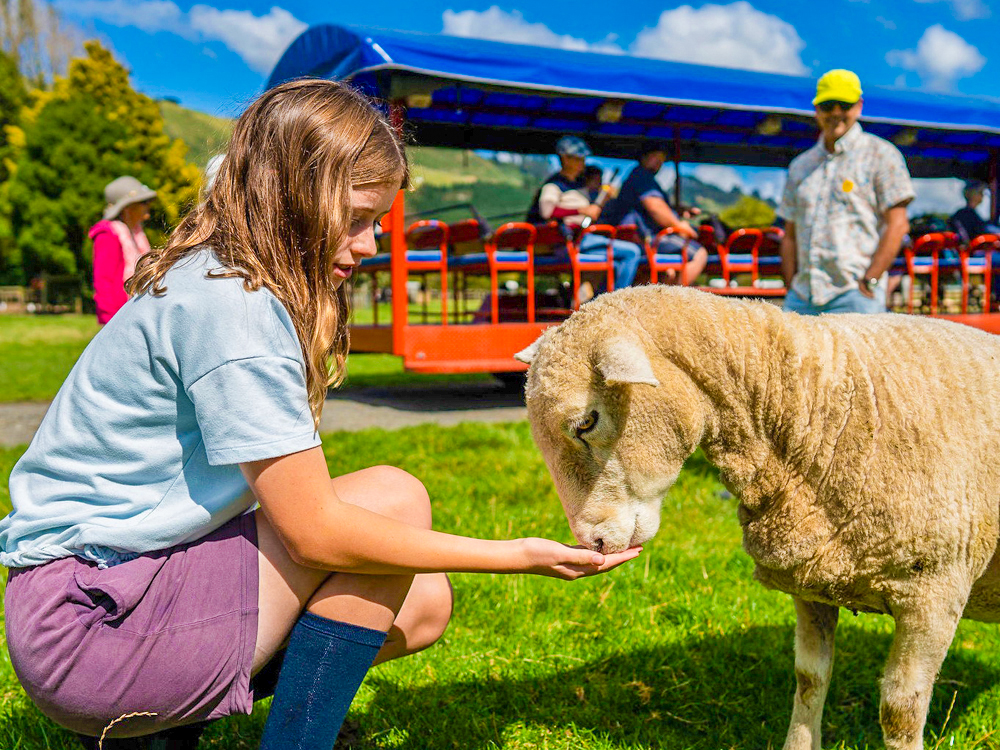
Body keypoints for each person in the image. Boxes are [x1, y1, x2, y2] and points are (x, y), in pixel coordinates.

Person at [0, 80, 641, 750]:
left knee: (423, 604)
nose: (369, 245)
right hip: (92, 631)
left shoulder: (217, 277)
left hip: (98, 601)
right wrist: (520, 555)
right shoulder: (236, 309)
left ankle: (164, 726)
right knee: (393, 502)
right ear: (292, 198)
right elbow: (317, 535)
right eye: (358, 218)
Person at [779, 69, 914, 315]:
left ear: (859, 106)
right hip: (801, 297)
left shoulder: (882, 155)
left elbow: (898, 225)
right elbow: (789, 234)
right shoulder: (800, 166)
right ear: (817, 109)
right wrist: (790, 285)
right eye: (829, 105)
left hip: (855, 295)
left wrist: (871, 279)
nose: (836, 113)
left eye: (845, 104)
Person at [527, 136, 642, 294]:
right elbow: (547, 211)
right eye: (578, 158)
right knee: (632, 252)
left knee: (617, 261)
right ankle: (616, 301)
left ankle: (601, 300)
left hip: (581, 238)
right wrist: (581, 211)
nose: (582, 162)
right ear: (565, 159)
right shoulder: (554, 184)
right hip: (570, 241)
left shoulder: (579, 185)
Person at [599, 146, 709, 285]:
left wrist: (679, 211)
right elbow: (655, 207)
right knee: (699, 254)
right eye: (655, 157)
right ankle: (678, 302)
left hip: (640, 238)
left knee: (669, 272)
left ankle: (662, 301)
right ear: (644, 157)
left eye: (662, 159)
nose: (659, 162)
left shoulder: (639, 177)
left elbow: (654, 207)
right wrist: (680, 226)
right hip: (644, 238)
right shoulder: (641, 177)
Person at [89, 176, 157, 324]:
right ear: (127, 207)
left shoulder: (136, 234)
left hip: (138, 313)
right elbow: (104, 282)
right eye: (143, 202)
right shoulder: (108, 235)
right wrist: (112, 322)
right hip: (119, 318)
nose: (148, 206)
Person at [950, 179, 1000, 244]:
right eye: (980, 193)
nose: (982, 196)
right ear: (971, 194)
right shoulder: (966, 214)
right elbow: (983, 229)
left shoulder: (965, 213)